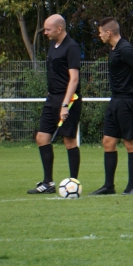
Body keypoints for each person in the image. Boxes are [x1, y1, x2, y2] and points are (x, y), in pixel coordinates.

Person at [89, 18, 133, 196]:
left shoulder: (125, 48)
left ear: (109, 33)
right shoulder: (114, 50)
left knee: (129, 143)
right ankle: (109, 186)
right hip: (115, 101)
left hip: (126, 102)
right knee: (108, 142)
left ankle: (131, 187)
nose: (99, 35)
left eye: (101, 32)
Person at [28, 14, 81, 194]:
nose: (46, 33)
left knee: (69, 140)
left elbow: (74, 79)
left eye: (48, 29)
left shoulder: (72, 47)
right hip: (52, 98)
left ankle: (73, 183)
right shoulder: (53, 45)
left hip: (67, 99)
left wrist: (65, 105)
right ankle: (48, 183)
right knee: (42, 138)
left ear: (59, 29)